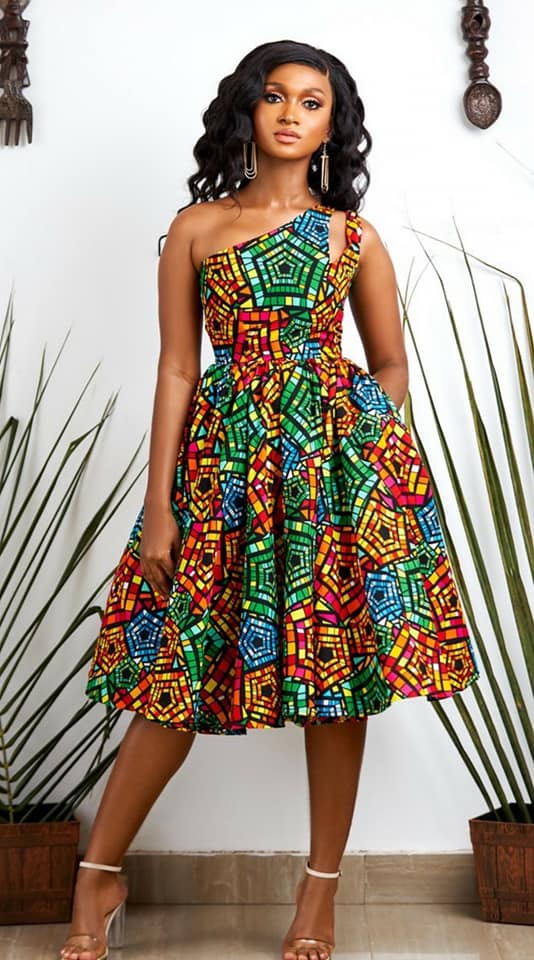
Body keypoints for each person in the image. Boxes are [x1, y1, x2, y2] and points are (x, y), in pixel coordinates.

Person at [59, 38, 480, 960]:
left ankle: (318, 894)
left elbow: (390, 364)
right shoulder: (195, 229)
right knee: (174, 669)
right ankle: (98, 874)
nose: (292, 113)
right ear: (248, 109)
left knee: (339, 682)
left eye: (312, 101)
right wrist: (160, 503)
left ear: (334, 124)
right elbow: (177, 368)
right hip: (221, 475)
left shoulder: (353, 239)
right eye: (276, 96)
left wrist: (362, 450)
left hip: (329, 484)